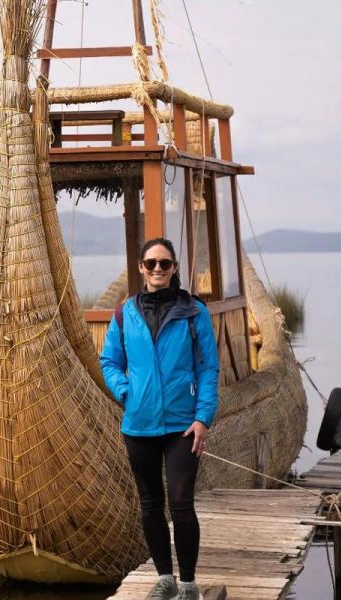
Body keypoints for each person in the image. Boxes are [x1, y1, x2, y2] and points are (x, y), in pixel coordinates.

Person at [100, 238, 220, 600]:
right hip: (139, 424)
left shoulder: (194, 312)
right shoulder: (125, 313)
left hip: (183, 425)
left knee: (181, 504)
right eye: (150, 263)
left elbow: (209, 368)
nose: (157, 269)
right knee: (150, 504)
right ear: (140, 267)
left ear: (174, 269)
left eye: (164, 264)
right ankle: (164, 578)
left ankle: (187, 584)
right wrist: (126, 391)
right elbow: (109, 362)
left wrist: (203, 418)